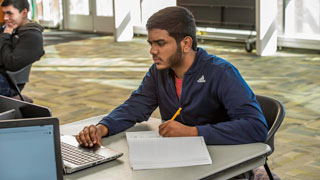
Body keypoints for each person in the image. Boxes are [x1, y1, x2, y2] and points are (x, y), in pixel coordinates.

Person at [76, 6, 268, 147]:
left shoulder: (221, 72)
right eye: (150, 43)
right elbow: (134, 107)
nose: (152, 50)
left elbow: (256, 127)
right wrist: (102, 128)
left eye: (160, 43)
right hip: (177, 160)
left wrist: (193, 132)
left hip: (222, 163)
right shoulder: (158, 72)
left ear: (185, 44)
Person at [0, 0, 44, 98]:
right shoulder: (10, 27)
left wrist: (6, 35)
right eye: (4, 13)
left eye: (9, 13)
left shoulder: (32, 36)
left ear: (24, 13)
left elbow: (11, 63)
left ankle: (16, 100)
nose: (5, 18)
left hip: (8, 82)